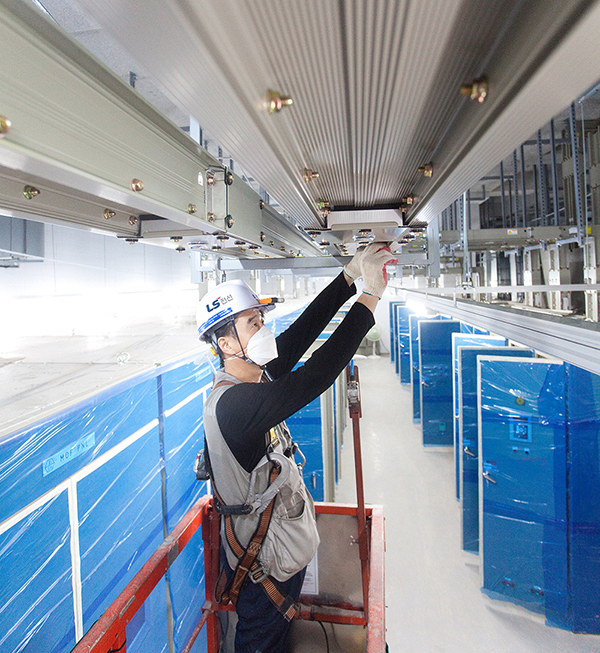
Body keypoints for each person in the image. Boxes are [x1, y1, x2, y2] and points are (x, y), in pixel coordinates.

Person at [196, 243, 396, 653]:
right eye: (252, 323)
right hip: (262, 573)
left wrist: (350, 275)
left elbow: (302, 334)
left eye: (260, 319)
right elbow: (314, 376)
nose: (264, 329)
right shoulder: (234, 405)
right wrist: (370, 297)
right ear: (226, 343)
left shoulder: (253, 376)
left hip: (276, 558)